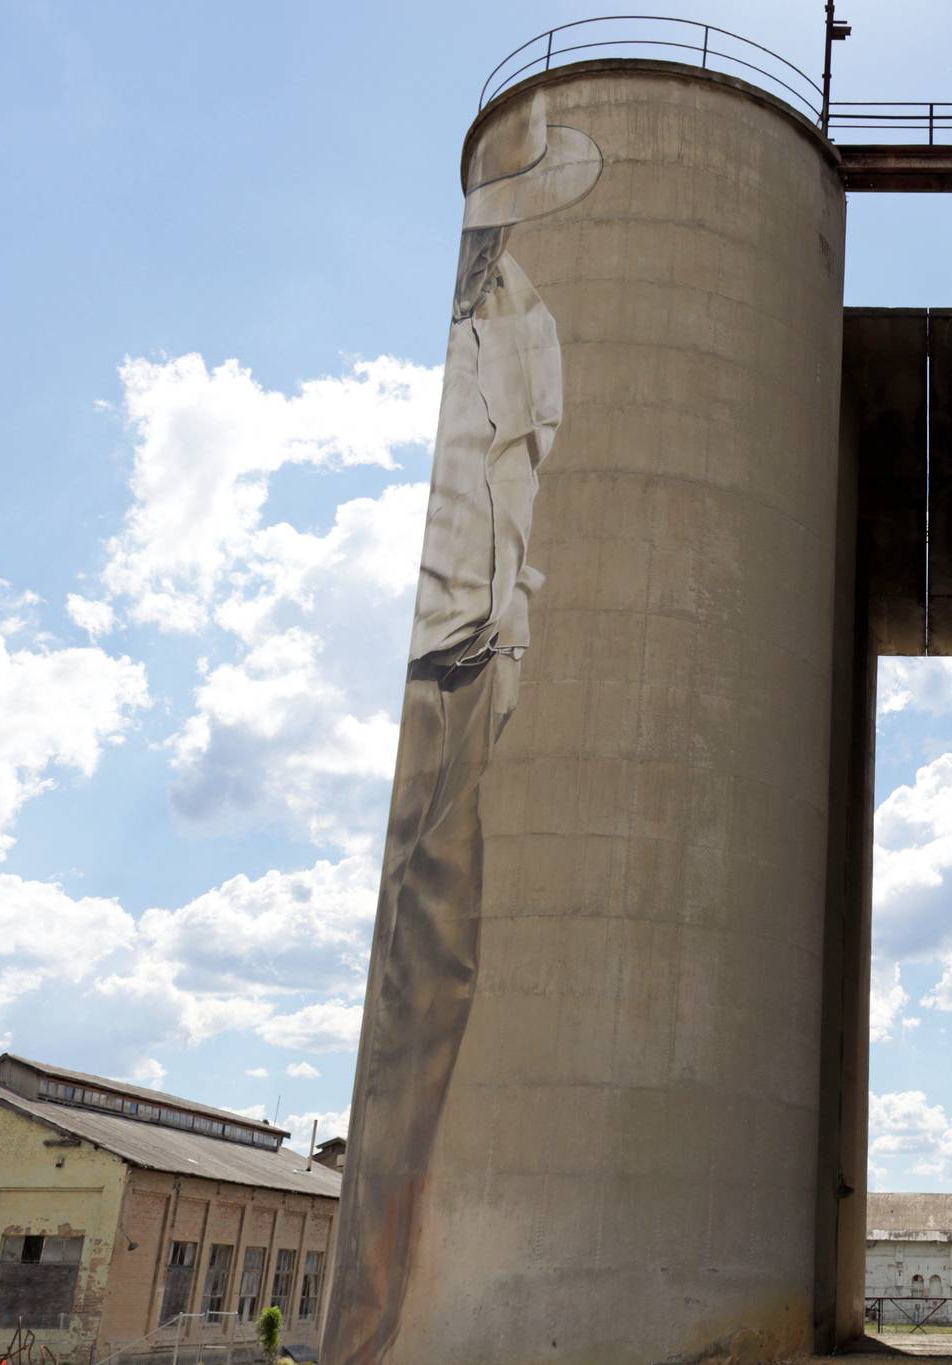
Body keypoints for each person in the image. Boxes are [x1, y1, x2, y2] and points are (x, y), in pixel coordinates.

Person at [324, 92, 599, 1365]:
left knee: (439, 985)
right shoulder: (458, 319)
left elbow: (524, 501)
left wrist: (518, 650)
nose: (496, 234)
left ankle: (390, 1305)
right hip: (429, 664)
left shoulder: (527, 318)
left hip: (476, 672)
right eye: (487, 215)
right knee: (404, 986)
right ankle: (381, 1328)